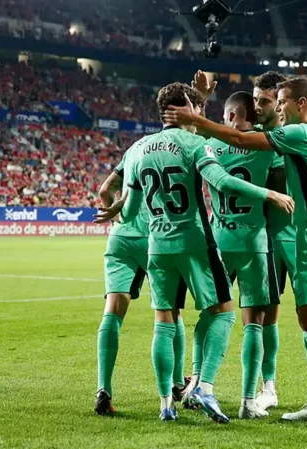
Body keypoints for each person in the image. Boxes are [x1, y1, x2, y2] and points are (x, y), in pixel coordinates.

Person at [164, 77, 307, 427]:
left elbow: (239, 138)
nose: (277, 108)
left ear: (301, 103)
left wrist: (196, 118)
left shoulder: (299, 134)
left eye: (280, 101)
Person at [116, 82, 294, 423]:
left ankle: (173, 398)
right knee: (245, 320)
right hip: (239, 242)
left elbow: (130, 211)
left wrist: (117, 208)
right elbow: (227, 179)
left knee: (172, 321)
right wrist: (270, 195)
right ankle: (240, 397)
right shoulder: (244, 145)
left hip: (174, 243)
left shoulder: (145, 148)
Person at [91, 135, 188, 416]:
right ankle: (177, 384)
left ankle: (103, 390)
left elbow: (104, 191)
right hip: (156, 237)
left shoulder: (134, 149)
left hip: (121, 238)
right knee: (171, 312)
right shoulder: (173, 148)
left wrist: (116, 219)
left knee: (113, 312)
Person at [205, 90, 282, 419]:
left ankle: (201, 385)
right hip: (254, 242)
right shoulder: (267, 146)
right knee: (255, 323)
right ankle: (249, 400)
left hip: (219, 242)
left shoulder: (211, 145)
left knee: (213, 316)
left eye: (224, 115)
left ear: (232, 115)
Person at [251, 71, 289, 411]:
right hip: (254, 238)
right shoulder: (250, 136)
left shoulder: (294, 138)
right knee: (259, 314)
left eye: (264, 100)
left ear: (280, 103)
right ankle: (267, 386)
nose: (257, 106)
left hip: (290, 238)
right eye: (255, 99)